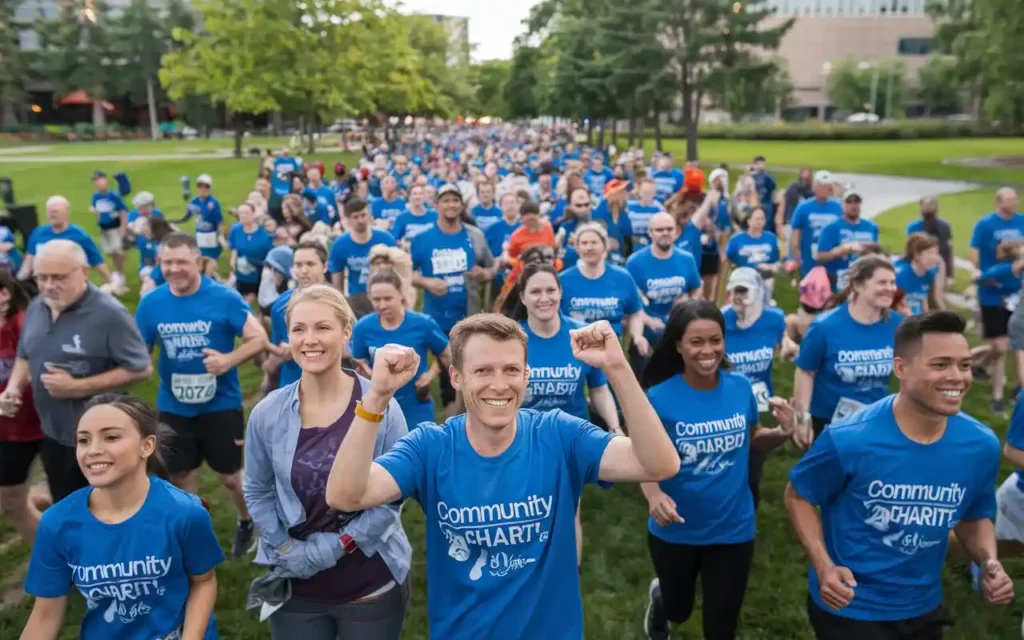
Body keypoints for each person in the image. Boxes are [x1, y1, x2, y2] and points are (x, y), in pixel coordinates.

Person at [323, 313, 681, 638]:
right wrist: (376, 398)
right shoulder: (430, 448)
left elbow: (659, 464)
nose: (499, 384)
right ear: (457, 377)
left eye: (511, 370)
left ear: (527, 374)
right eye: (482, 371)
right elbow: (345, 495)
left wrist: (617, 367)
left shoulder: (559, 435)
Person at [786, 311, 1014, 638]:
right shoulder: (850, 438)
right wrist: (824, 567)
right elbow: (798, 495)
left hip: (924, 606)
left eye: (964, 365)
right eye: (940, 365)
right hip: (851, 606)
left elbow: (974, 516)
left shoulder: (980, 445)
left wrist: (989, 561)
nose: (958, 377)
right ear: (901, 368)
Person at [244, 285, 411, 639]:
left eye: (323, 328)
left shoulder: (381, 403)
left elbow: (393, 498)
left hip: (370, 584)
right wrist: (286, 547)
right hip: (296, 587)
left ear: (346, 332)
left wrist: (340, 545)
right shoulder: (267, 414)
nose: (310, 340)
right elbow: (257, 490)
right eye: (299, 329)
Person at [641, 300, 795, 640]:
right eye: (696, 342)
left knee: (722, 625)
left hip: (733, 527)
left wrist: (782, 433)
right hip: (676, 528)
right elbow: (642, 457)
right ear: (678, 345)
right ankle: (662, 598)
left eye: (715, 340)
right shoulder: (658, 399)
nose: (707, 350)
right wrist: (654, 496)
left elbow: (752, 440)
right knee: (679, 609)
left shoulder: (740, 387)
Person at [20, 394, 223, 640]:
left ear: (146, 446)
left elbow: (203, 582)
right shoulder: (57, 523)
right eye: (83, 440)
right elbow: (45, 614)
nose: (93, 450)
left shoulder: (186, 513)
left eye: (111, 437)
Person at [135, 233, 269, 558]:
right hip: (173, 406)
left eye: (181, 261)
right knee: (182, 476)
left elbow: (258, 338)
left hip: (220, 405)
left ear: (197, 261)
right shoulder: (152, 303)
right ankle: (196, 533)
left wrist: (228, 361)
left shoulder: (223, 297)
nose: (173, 268)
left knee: (231, 479)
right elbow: (138, 351)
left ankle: (245, 520)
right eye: (167, 262)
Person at [0, 240, 151, 503]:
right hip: (54, 435)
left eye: (58, 277)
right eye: (42, 277)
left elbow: (141, 368)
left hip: (101, 441)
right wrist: (13, 388)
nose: (48, 285)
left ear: (83, 271)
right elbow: (25, 353)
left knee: (114, 512)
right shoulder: (38, 305)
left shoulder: (109, 313)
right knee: (70, 511)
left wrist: (77, 387)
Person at [792, 255, 903, 446]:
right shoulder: (825, 327)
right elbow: (805, 371)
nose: (890, 288)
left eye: (892, 282)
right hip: (829, 422)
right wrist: (802, 418)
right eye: (882, 282)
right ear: (858, 285)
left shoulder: (898, 325)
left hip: (876, 419)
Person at [410, 184, 496, 413]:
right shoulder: (422, 239)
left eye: (455, 200)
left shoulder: (474, 235)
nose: (451, 205)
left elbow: (491, 267)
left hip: (468, 313)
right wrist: (426, 282)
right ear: (437, 205)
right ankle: (450, 410)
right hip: (436, 316)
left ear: (461, 205)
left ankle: (472, 408)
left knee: (471, 365)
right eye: (445, 200)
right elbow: (406, 274)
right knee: (447, 368)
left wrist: (484, 274)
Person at [351, 268, 451, 429]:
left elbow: (446, 354)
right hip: (380, 405)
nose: (382, 305)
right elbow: (359, 364)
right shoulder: (362, 328)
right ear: (369, 297)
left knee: (419, 451)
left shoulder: (422, 324)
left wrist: (431, 374)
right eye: (376, 299)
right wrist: (369, 375)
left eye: (388, 298)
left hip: (416, 405)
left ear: (401, 293)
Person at [0, 272, 47, 543]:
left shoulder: (26, 324)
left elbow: (34, 364)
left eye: (3, 290)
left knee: (79, 497)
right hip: (8, 432)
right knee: (11, 499)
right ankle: (55, 557)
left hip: (45, 423)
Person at [625, 212, 702, 373]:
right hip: (647, 329)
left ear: (676, 232)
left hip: (679, 327)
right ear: (650, 233)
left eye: (669, 229)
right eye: (659, 230)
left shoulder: (687, 259)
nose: (665, 233)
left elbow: (696, 288)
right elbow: (629, 303)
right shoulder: (635, 262)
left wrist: (689, 305)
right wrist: (648, 320)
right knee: (645, 379)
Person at [969, 187, 1022, 414]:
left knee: (1006, 345)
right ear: (999, 201)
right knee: (1000, 347)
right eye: (1011, 199)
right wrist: (982, 273)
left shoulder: (1021, 221)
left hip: (1016, 295)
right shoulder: (985, 224)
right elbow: (974, 251)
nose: (1016, 202)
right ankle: (997, 396)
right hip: (992, 293)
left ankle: (975, 365)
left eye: (1016, 199)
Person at [560, 223, 649, 352]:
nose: (589, 247)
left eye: (594, 242)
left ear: (605, 246)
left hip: (611, 350)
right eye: (584, 243)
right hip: (576, 349)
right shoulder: (563, 280)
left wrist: (638, 337)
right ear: (577, 248)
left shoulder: (622, 277)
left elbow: (635, 312)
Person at [266, 241, 330, 390]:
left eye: (310, 264)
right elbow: (278, 347)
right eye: (298, 265)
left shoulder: (339, 305)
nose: (304, 270)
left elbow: (348, 350)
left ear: (325, 266)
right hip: (292, 387)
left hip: (329, 387)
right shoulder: (280, 305)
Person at [17, 196, 113, 286]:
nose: (52, 215)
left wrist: (110, 282)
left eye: (56, 212)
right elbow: (29, 261)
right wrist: (18, 282)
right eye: (50, 212)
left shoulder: (79, 235)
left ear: (66, 212)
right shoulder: (38, 233)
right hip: (44, 284)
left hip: (69, 284)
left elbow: (97, 260)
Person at [814, 189, 880, 292]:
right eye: (849, 202)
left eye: (856, 202)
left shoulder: (871, 227)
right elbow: (819, 256)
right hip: (838, 282)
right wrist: (837, 252)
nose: (853, 205)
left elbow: (877, 251)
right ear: (842, 205)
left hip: (864, 280)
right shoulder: (831, 228)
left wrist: (867, 249)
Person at [329, 198, 397, 296]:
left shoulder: (386, 239)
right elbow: (337, 281)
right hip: (357, 297)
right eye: (355, 217)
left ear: (369, 215)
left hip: (384, 293)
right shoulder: (339, 245)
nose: (360, 221)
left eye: (363, 215)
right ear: (348, 220)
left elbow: (398, 271)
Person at [790, 170, 842, 279]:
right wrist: (798, 261)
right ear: (815, 187)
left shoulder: (838, 207)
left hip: (833, 261)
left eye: (828, 187)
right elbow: (795, 239)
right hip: (810, 261)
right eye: (822, 187)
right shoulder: (803, 208)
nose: (825, 190)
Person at [725, 206, 781, 296]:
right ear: (749, 221)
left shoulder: (771, 238)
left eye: (762, 219)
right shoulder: (736, 239)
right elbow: (727, 260)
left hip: (765, 277)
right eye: (756, 219)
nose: (759, 221)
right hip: (742, 278)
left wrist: (770, 267)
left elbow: (776, 261)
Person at [89, 170, 129, 294]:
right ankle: (118, 274)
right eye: (96, 181)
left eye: (100, 180)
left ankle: (121, 275)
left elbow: (123, 210)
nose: (98, 183)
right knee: (111, 251)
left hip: (114, 227)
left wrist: (123, 227)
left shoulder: (113, 195)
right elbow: (94, 207)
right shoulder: (96, 196)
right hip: (104, 228)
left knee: (118, 251)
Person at [229, 202, 274, 305]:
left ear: (253, 214)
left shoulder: (264, 232)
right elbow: (234, 250)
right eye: (241, 213)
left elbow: (270, 253)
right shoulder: (236, 229)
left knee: (248, 300)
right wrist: (232, 266)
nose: (243, 215)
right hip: (240, 272)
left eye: (246, 213)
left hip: (258, 271)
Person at [907, 196, 953, 291]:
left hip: (939, 267)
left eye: (931, 205)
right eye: (926, 205)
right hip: (918, 269)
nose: (928, 208)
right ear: (920, 207)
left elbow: (948, 250)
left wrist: (949, 274)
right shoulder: (913, 227)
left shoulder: (944, 226)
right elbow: (910, 250)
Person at [894, 233, 942, 316]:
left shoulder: (930, 273)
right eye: (929, 253)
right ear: (917, 255)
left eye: (936, 253)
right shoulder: (903, 275)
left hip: (913, 316)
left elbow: (923, 298)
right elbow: (899, 306)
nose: (933, 258)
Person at [186, 174, 225, 261]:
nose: (202, 189)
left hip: (211, 235)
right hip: (199, 234)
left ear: (209, 189)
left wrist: (220, 236)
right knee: (199, 259)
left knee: (210, 261)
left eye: (206, 187)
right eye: (200, 186)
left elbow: (219, 221)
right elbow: (187, 216)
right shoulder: (193, 201)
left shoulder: (213, 202)